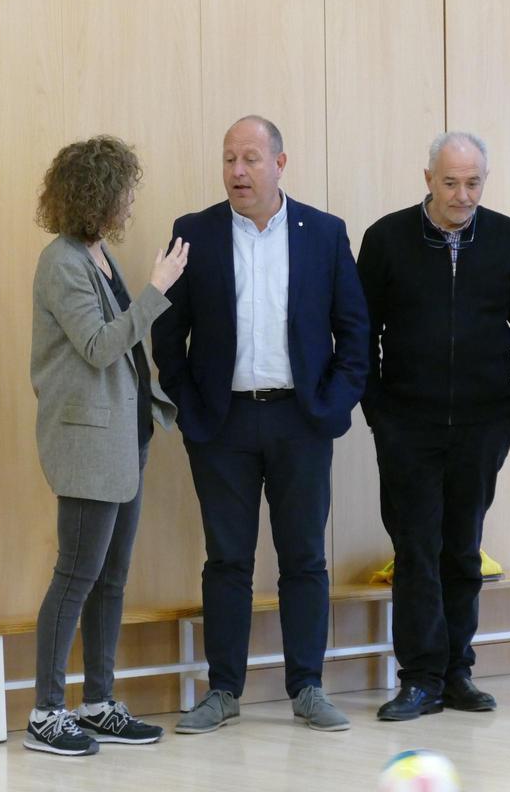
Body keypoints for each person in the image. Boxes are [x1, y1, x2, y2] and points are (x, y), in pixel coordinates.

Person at [153, 115, 368, 733]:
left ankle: (307, 687)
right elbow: (168, 334)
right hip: (221, 426)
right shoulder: (192, 233)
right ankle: (223, 691)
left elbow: (354, 332)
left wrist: (331, 405)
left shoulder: (324, 234)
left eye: (250, 159)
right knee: (227, 561)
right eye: (228, 159)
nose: (237, 172)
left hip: (301, 421)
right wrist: (190, 408)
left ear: (280, 163)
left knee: (304, 559)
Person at [357, 131, 510, 720]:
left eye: (474, 183)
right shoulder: (386, 239)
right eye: (451, 182)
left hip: (485, 424)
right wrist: (378, 408)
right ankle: (418, 678)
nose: (463, 195)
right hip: (406, 424)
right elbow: (361, 330)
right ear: (428, 178)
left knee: (463, 550)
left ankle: (458, 672)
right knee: (416, 549)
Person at [27, 136, 187, 755]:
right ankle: (46, 713)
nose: (129, 202)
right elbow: (98, 346)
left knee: (112, 578)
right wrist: (157, 288)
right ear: (98, 195)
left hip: (126, 434)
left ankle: (96, 702)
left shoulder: (96, 254)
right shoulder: (62, 262)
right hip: (87, 444)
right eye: (123, 190)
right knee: (76, 574)